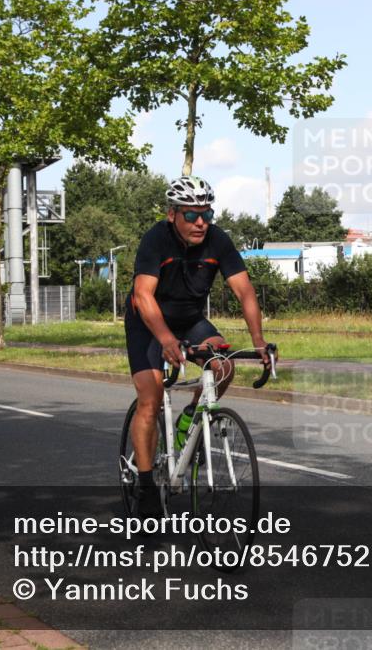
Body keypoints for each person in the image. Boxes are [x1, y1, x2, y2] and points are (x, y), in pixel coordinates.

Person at [124, 176, 272, 517]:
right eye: (191, 215)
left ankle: (190, 417)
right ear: (172, 214)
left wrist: (258, 341)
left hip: (189, 320)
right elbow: (143, 295)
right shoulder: (155, 240)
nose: (201, 222)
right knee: (150, 397)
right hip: (148, 323)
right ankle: (146, 488)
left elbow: (245, 291)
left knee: (224, 364)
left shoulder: (218, 240)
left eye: (207, 213)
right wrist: (166, 340)